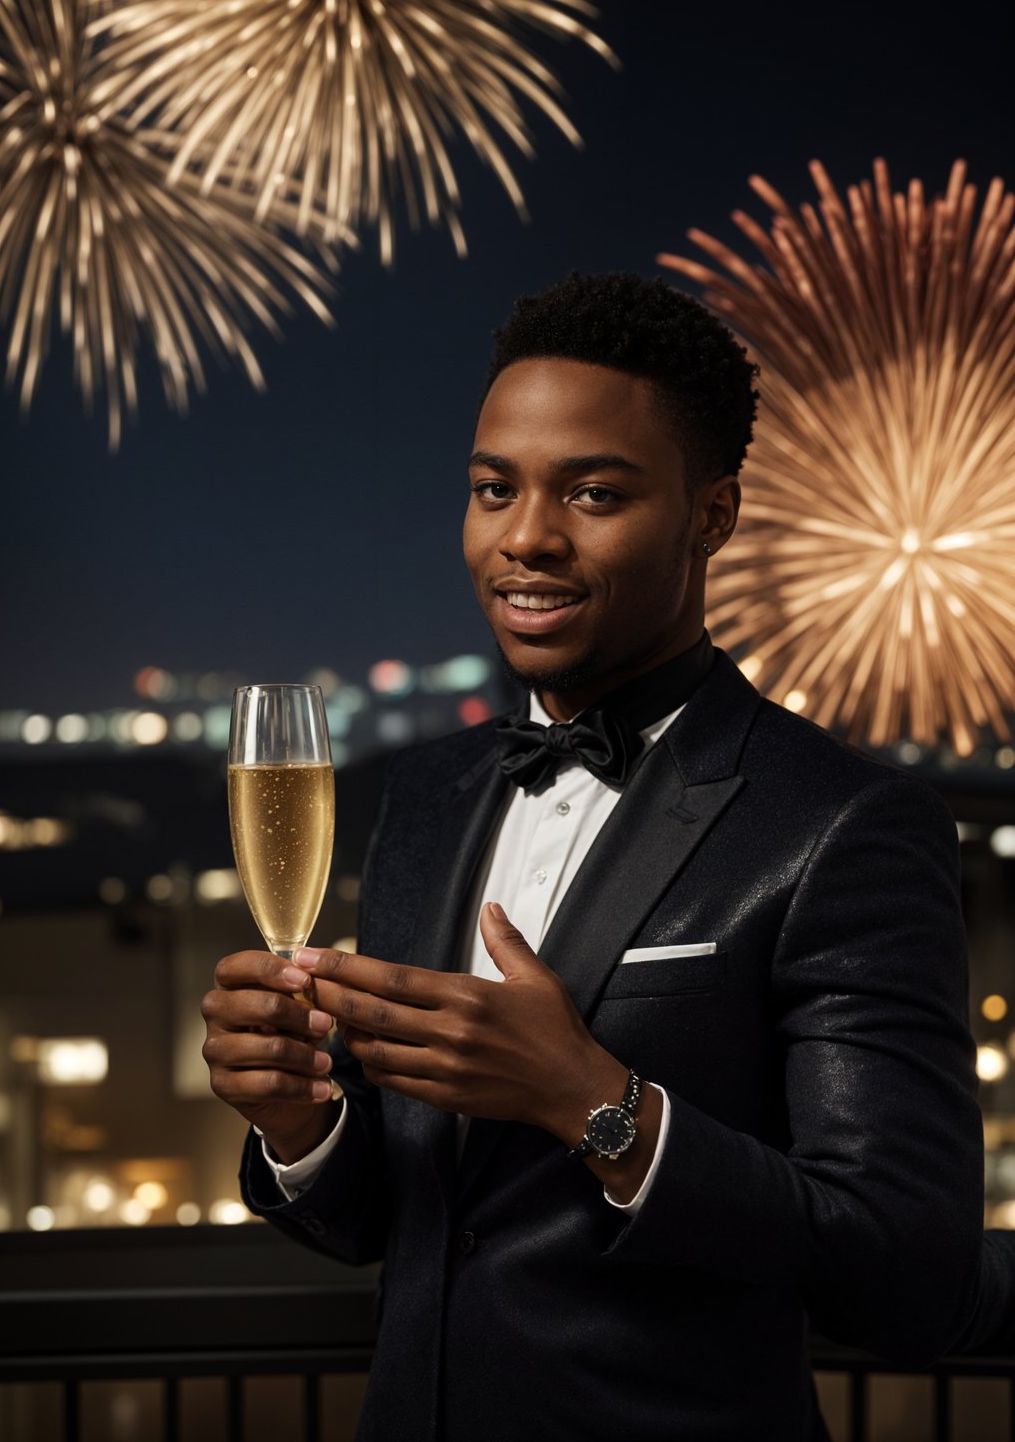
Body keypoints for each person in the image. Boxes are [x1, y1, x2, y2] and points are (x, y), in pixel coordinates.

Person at [202, 271, 993, 1441]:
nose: (526, 536)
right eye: (492, 489)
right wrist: (298, 1125)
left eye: (594, 493)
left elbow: (908, 1275)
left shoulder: (844, 824)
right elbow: (394, 1222)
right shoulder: (423, 797)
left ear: (711, 516)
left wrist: (594, 1103)